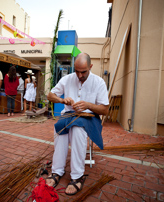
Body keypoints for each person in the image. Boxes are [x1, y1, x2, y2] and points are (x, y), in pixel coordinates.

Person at [46, 53, 109, 195]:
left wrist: (88, 105)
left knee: (77, 129)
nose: (79, 75)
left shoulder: (98, 82)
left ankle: (77, 176)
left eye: (83, 72)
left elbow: (105, 109)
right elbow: (50, 95)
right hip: (68, 115)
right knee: (59, 127)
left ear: (90, 67)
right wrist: (62, 101)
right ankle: (57, 171)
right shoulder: (67, 79)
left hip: (89, 118)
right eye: (77, 71)